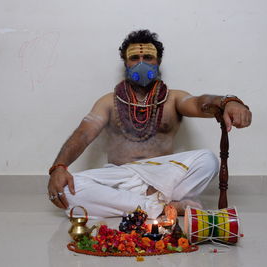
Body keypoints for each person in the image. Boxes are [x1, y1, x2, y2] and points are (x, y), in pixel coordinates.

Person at [47, 30, 252, 219]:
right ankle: (161, 206)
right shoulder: (108, 101)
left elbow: (200, 102)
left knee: (208, 160)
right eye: (134, 58)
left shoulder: (173, 98)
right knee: (69, 189)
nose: (141, 63)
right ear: (126, 63)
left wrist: (228, 101)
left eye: (148, 57)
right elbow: (83, 134)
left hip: (163, 177)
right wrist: (59, 167)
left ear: (158, 61)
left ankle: (142, 204)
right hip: (121, 177)